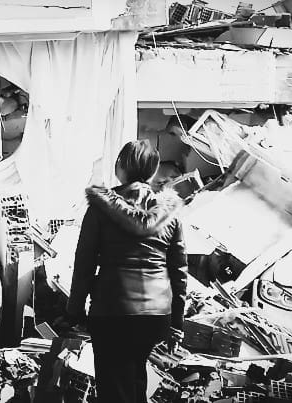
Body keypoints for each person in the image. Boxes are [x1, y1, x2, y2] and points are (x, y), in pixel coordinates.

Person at [67, 139, 188, 403]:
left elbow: (84, 265)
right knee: (134, 382)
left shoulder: (101, 209)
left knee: (114, 390)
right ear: (152, 171)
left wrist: (73, 313)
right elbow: (179, 272)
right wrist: (176, 324)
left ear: (120, 166)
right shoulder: (168, 213)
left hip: (112, 312)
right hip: (156, 315)